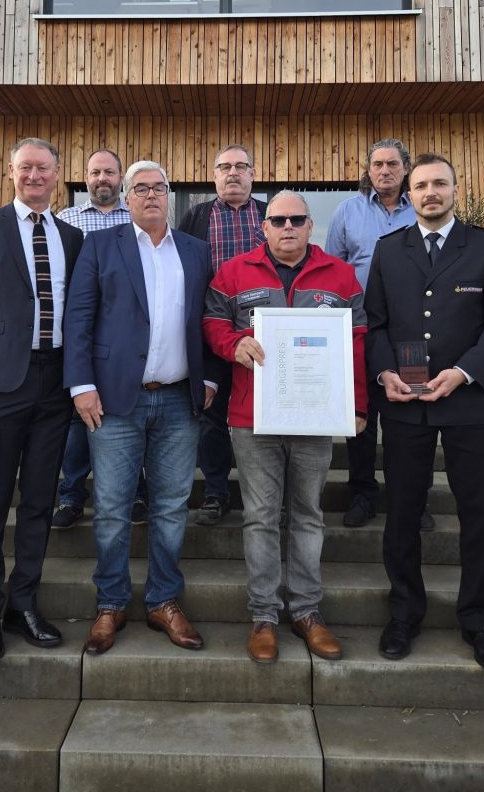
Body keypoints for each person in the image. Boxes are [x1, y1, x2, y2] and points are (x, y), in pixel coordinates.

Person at [365, 153, 484, 672]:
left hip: (471, 405)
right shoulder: (389, 251)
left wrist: (462, 373)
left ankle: (479, 622)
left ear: (456, 189)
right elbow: (377, 323)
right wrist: (385, 371)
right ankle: (404, 614)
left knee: (478, 516)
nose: (430, 193)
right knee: (403, 515)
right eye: (421, 186)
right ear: (408, 195)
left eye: (439, 184)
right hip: (406, 407)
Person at [203, 190, 368, 663]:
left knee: (308, 514)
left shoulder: (340, 275)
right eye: (279, 220)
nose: (289, 227)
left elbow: (356, 342)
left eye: (298, 219)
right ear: (264, 226)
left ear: (309, 225)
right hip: (252, 418)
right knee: (259, 516)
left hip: (316, 417)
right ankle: (263, 615)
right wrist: (233, 343)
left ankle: (307, 611)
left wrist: (356, 405)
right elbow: (211, 322)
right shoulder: (234, 273)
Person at [63, 160, 214, 656]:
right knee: (110, 508)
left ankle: (163, 600)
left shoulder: (194, 251)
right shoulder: (100, 246)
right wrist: (81, 385)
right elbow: (79, 318)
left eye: (159, 187)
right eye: (140, 188)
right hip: (114, 400)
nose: (151, 195)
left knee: (171, 507)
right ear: (126, 197)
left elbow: (208, 320)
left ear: (170, 195)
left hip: (178, 398)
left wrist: (211, 377)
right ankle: (111, 602)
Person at [0, 138, 83, 661]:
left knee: (38, 503)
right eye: (25, 167)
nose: (34, 176)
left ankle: (22, 602)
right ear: (10, 172)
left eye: (43, 168)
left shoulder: (72, 236)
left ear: (56, 174)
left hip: (54, 385)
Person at [325, 138, 428, 530]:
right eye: (377, 164)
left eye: (392, 164)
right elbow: (332, 271)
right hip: (360, 330)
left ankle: (414, 503)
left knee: (411, 421)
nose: (384, 171)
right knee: (361, 421)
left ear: (406, 168)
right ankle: (363, 495)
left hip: (415, 333)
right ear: (368, 170)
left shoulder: (420, 210)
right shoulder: (347, 212)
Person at [52, 148, 145, 529]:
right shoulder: (66, 220)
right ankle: (71, 496)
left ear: (120, 179)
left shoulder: (136, 217)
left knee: (131, 415)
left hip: (126, 337)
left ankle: (137, 494)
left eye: (109, 173)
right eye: (95, 173)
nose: (102, 179)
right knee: (78, 421)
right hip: (80, 330)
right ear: (85, 178)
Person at [178, 143, 267, 525]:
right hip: (211, 334)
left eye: (241, 166)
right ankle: (215, 493)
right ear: (214, 175)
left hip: (263, 339)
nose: (233, 173)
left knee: (264, 418)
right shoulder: (195, 217)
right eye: (224, 167)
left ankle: (264, 498)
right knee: (211, 415)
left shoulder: (270, 216)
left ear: (252, 174)